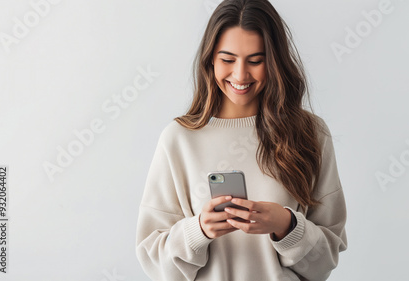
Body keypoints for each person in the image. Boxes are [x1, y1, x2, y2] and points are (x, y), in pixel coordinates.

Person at [135, 0, 347, 280]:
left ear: (274, 61)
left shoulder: (310, 134)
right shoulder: (179, 139)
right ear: (210, 59)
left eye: (256, 61)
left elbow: (325, 263)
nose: (240, 74)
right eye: (227, 59)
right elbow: (154, 262)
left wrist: (287, 226)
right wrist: (199, 230)